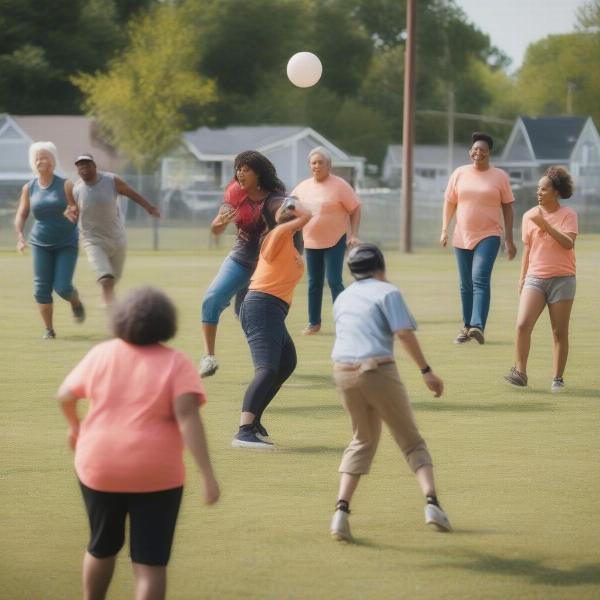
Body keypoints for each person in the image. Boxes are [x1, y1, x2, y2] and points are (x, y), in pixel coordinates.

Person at [57, 286, 219, 600]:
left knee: (101, 546)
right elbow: (188, 418)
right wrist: (208, 477)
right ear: (166, 323)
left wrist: (76, 428)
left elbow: (65, 396)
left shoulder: (101, 354)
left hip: (100, 465)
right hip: (156, 473)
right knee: (150, 563)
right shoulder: (177, 362)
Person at [329, 243, 451, 543]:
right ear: (381, 267)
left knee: (362, 440)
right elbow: (403, 332)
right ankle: (432, 505)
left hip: (342, 372)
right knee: (411, 441)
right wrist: (426, 371)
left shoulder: (343, 296)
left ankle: (340, 513)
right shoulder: (388, 292)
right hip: (377, 370)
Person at [199, 151, 288, 378]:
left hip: (266, 265)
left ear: (259, 173)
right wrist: (218, 224)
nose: (240, 173)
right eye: (238, 168)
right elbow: (216, 228)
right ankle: (209, 358)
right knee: (211, 298)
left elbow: (285, 218)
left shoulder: (275, 196)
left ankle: (277, 356)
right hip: (240, 258)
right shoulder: (234, 192)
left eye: (246, 169)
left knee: (248, 314)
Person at [232, 198, 312, 449]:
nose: (286, 210)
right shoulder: (277, 234)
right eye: (285, 208)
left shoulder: (289, 244)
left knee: (287, 362)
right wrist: (293, 206)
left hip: (273, 310)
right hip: (261, 306)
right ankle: (244, 431)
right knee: (267, 368)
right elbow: (307, 214)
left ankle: (254, 422)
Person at [504, 167, 578, 393]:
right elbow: (528, 250)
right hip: (535, 278)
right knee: (522, 324)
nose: (539, 192)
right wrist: (521, 279)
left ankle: (557, 378)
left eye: (544, 189)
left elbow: (568, 243)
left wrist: (545, 224)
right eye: (538, 189)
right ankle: (520, 372)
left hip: (563, 279)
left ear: (555, 192)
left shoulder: (568, 215)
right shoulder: (529, 216)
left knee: (559, 331)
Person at [440, 132, 516, 345]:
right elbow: (449, 202)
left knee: (479, 279)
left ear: (489, 153)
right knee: (465, 284)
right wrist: (445, 228)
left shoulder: (499, 176)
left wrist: (509, 238)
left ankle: (477, 326)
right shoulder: (459, 173)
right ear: (470, 152)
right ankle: (466, 327)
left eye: (482, 150)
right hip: (462, 235)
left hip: (489, 235)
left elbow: (508, 208)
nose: (478, 153)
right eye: (475, 149)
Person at [14, 141, 85, 339]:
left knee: (62, 287)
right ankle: (49, 330)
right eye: (37, 158)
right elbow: (22, 213)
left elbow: (77, 209)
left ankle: (75, 302)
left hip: (66, 242)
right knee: (40, 289)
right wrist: (20, 236)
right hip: (40, 243)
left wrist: (73, 213)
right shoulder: (29, 188)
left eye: (44, 157)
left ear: (53, 161)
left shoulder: (66, 184)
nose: (40, 161)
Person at [73, 153, 160, 305]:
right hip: (92, 240)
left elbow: (132, 194)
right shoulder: (76, 189)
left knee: (114, 278)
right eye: (80, 166)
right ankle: (110, 310)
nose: (83, 168)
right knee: (106, 279)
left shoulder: (111, 181)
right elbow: (72, 212)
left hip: (117, 238)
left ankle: (108, 296)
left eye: (87, 164)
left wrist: (149, 207)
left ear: (94, 166)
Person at [291, 146, 361, 336]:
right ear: (309, 166)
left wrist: (353, 234)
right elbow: (289, 207)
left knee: (334, 280)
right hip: (311, 241)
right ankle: (314, 323)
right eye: (313, 163)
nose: (317, 166)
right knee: (314, 282)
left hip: (335, 239)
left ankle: (345, 322)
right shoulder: (302, 187)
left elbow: (355, 208)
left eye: (321, 162)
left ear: (329, 165)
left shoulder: (340, 185)